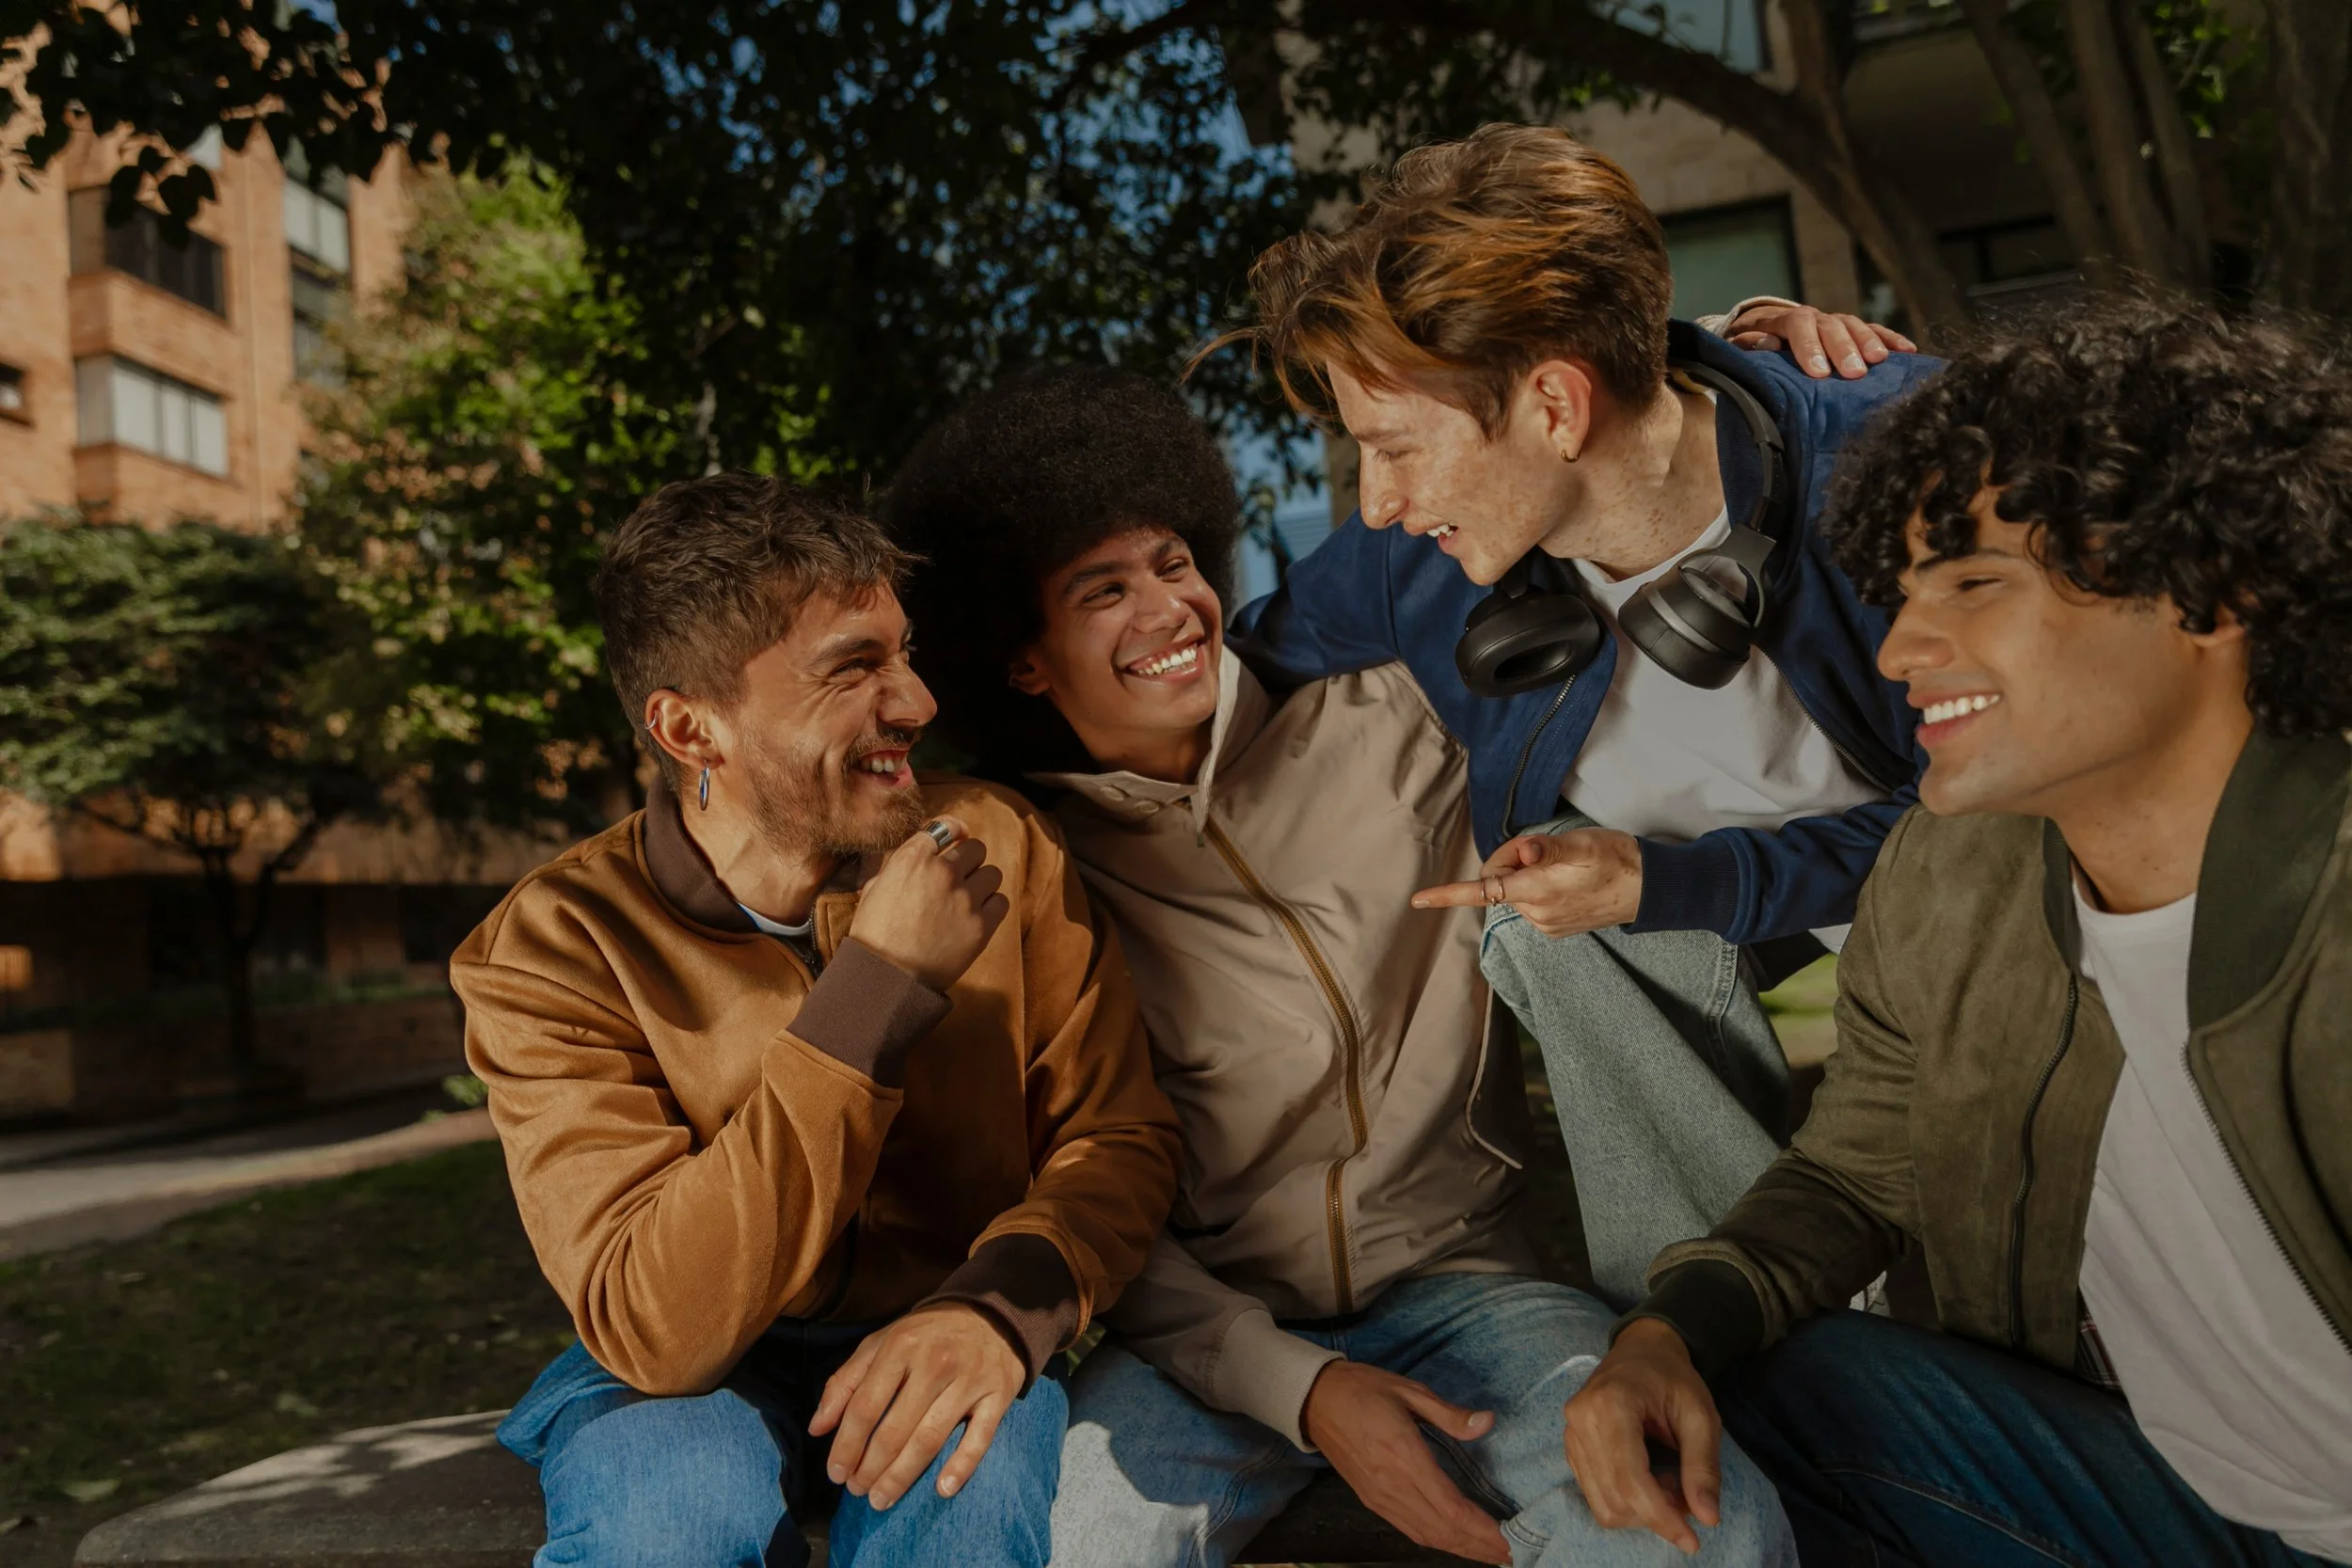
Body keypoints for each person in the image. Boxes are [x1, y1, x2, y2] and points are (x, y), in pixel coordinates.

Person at [885, 365, 1800, 1567]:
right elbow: (1074, 1178)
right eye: (1101, 591)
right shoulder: (1028, 867)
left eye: (1173, 565)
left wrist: (1733, 354)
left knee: (1705, 1528)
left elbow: (1587, 478)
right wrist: (1302, 1387)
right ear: (1023, 660)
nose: (1166, 610)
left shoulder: (1396, 717)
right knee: (1069, 1549)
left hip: (1471, 1289)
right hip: (1197, 1340)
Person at [1562, 293, 2352, 1568]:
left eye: (1976, 581)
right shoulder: (1946, 872)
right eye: (1906, 588)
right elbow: (1854, 1169)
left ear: (2213, 589)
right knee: (1741, 1397)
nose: (1905, 645)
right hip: (2162, 1493)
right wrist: (1669, 1332)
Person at [1220, 121, 1940, 1306]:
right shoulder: (1415, 565)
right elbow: (1209, 669)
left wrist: (1669, 884)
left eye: (1395, 449)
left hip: (2001, 921)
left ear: (1556, 402)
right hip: (1727, 937)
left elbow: (2000, 838)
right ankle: (1722, 1325)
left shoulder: (1891, 459)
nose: (1381, 503)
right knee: (1539, 923)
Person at [451, 475, 1181, 1568]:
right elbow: (658, 1326)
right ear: (691, 727)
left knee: (967, 1511)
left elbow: (1114, 1138)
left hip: (954, 1311)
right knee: (666, 1522)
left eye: (903, 651)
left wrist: (994, 1311)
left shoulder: (1001, 843)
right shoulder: (554, 945)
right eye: (853, 668)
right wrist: (874, 990)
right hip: (686, 1367)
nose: (918, 701)